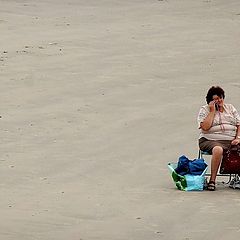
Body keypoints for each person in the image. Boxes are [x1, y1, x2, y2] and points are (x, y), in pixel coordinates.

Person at [197, 86, 240, 191]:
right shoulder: (205, 110)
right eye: (215, 99)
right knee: (218, 149)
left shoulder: (230, 108)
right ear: (210, 101)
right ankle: (212, 181)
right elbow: (205, 127)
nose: (218, 101)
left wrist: (238, 137)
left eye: (220, 98)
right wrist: (212, 111)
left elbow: (239, 124)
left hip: (230, 140)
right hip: (209, 140)